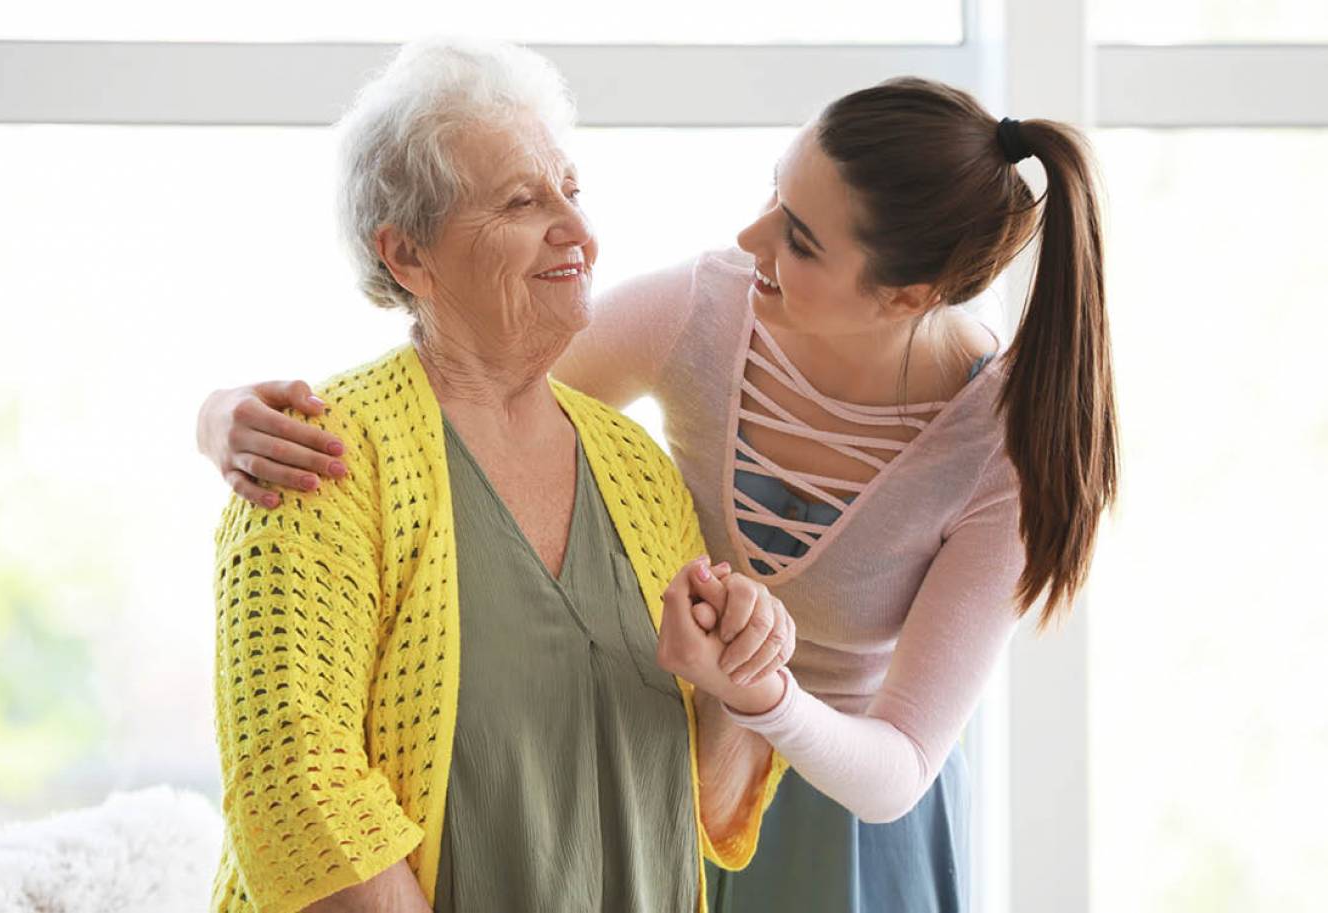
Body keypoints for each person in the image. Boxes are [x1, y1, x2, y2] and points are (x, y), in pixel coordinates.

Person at [201, 68, 1118, 913]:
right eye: (773, 195)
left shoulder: (1003, 448)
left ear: (908, 296)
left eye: (798, 239)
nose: (750, 239)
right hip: (702, 773)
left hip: (840, 805)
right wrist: (222, 415)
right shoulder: (711, 309)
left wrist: (757, 694)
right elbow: (476, 375)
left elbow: (897, 763)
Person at [208, 39, 797, 913]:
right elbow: (298, 788)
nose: (577, 230)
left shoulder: (635, 467)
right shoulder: (322, 461)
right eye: (523, 200)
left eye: (573, 190)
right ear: (408, 255)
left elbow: (700, 804)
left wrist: (742, 686)